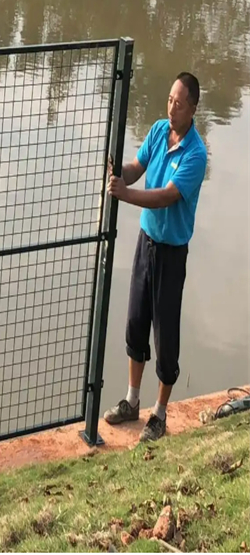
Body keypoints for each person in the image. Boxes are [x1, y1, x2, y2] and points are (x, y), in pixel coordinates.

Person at [104, 72, 207, 443]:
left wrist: (125, 195)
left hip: (171, 253)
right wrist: (119, 173)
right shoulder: (159, 131)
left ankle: (159, 414)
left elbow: (166, 196)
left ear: (193, 108)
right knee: (136, 321)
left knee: (165, 334)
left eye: (179, 104)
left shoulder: (196, 154)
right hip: (145, 244)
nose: (172, 108)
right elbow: (137, 168)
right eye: (169, 100)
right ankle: (132, 400)